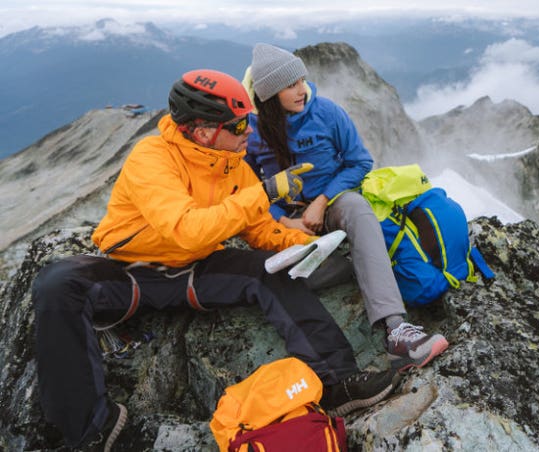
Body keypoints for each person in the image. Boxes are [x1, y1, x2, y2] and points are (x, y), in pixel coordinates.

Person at [32, 69, 400, 451]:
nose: (249, 133)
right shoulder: (152, 157)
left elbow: (258, 231)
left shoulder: (233, 165)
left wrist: (304, 244)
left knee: (270, 272)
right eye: (239, 125)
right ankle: (93, 430)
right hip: (131, 271)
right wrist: (267, 192)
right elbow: (185, 228)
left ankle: (338, 382)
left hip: (197, 269)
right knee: (58, 285)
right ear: (205, 130)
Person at [242, 43, 449, 374]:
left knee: (357, 208)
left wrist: (323, 201)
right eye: (289, 85)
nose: (301, 90)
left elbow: (359, 161)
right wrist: (285, 222)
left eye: (301, 81)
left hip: (333, 203)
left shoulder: (327, 113)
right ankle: (353, 265)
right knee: (274, 276)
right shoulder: (252, 133)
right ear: (268, 94)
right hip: (287, 224)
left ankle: (396, 329)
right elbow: (247, 191)